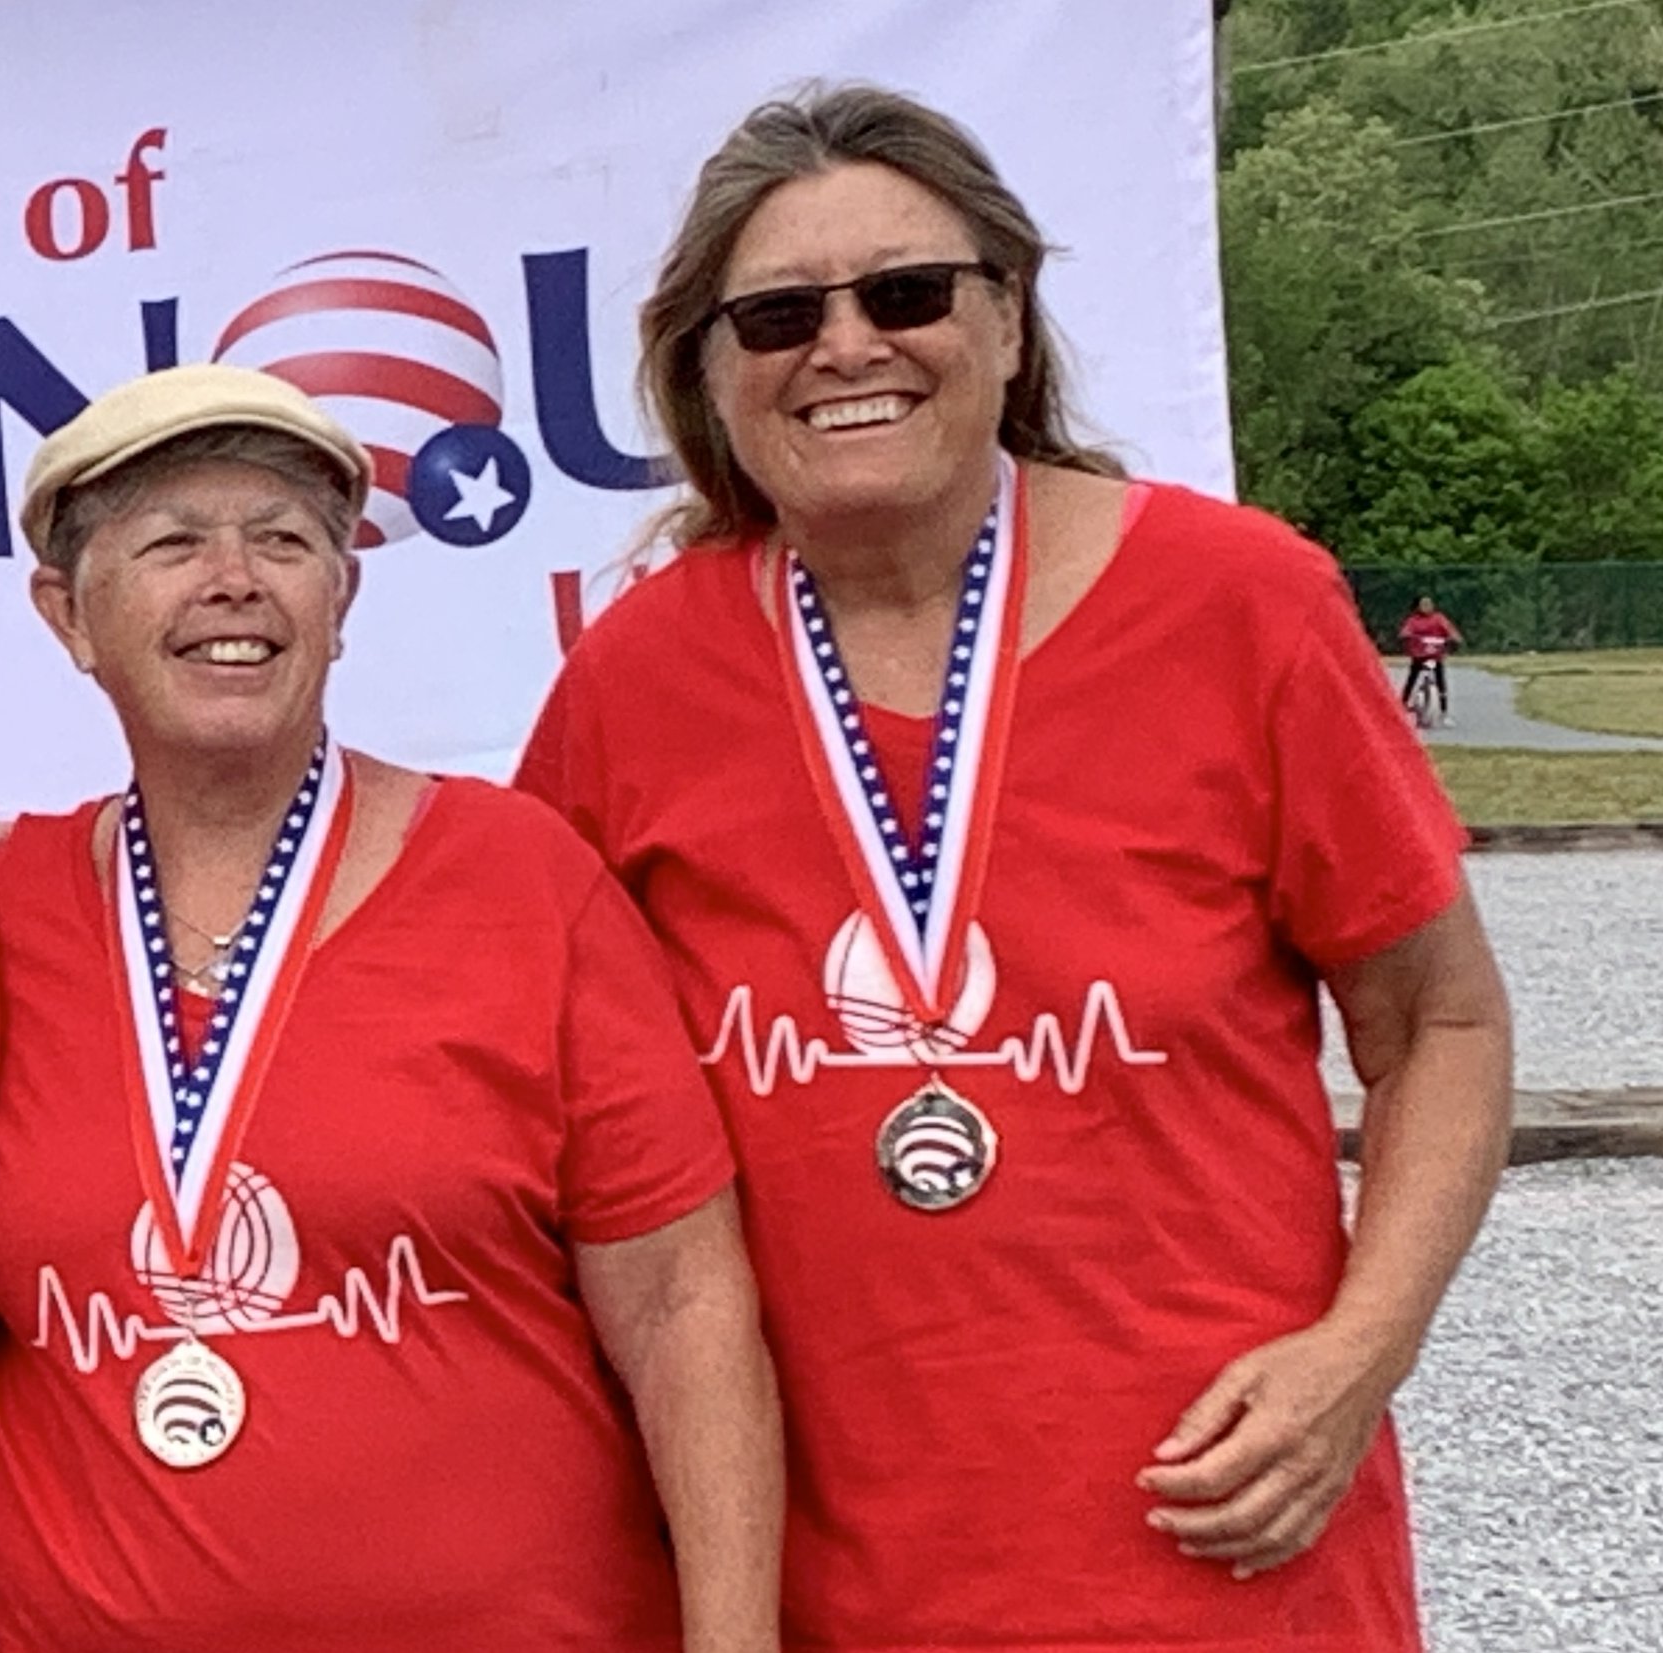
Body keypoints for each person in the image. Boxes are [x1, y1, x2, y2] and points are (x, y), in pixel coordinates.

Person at [518, 86, 1514, 1651]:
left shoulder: (1241, 606)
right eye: (778, 316)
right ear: (708, 369)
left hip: (1221, 1561)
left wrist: (1361, 1351)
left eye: (907, 292)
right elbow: (544, 1122)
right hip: (828, 1588)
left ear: (1005, 317)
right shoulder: (634, 684)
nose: (847, 346)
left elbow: (1440, 1022)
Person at [0, 363, 783, 1653]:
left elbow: (683, 1307)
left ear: (339, 602)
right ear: (69, 615)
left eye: (284, 541)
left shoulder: (520, 877)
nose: (235, 578)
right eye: (173, 543)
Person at [1398, 595, 1462, 722]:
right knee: (1412, 678)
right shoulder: (1413, 621)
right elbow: (1405, 631)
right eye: (1424, 604)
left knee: (1440, 681)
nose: (1427, 607)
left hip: (1435, 655)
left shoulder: (1439, 619)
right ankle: (1403, 705)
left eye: (1429, 604)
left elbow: (1450, 630)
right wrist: (1406, 635)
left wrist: (1454, 637)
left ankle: (1444, 711)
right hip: (1419, 655)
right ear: (1418, 607)